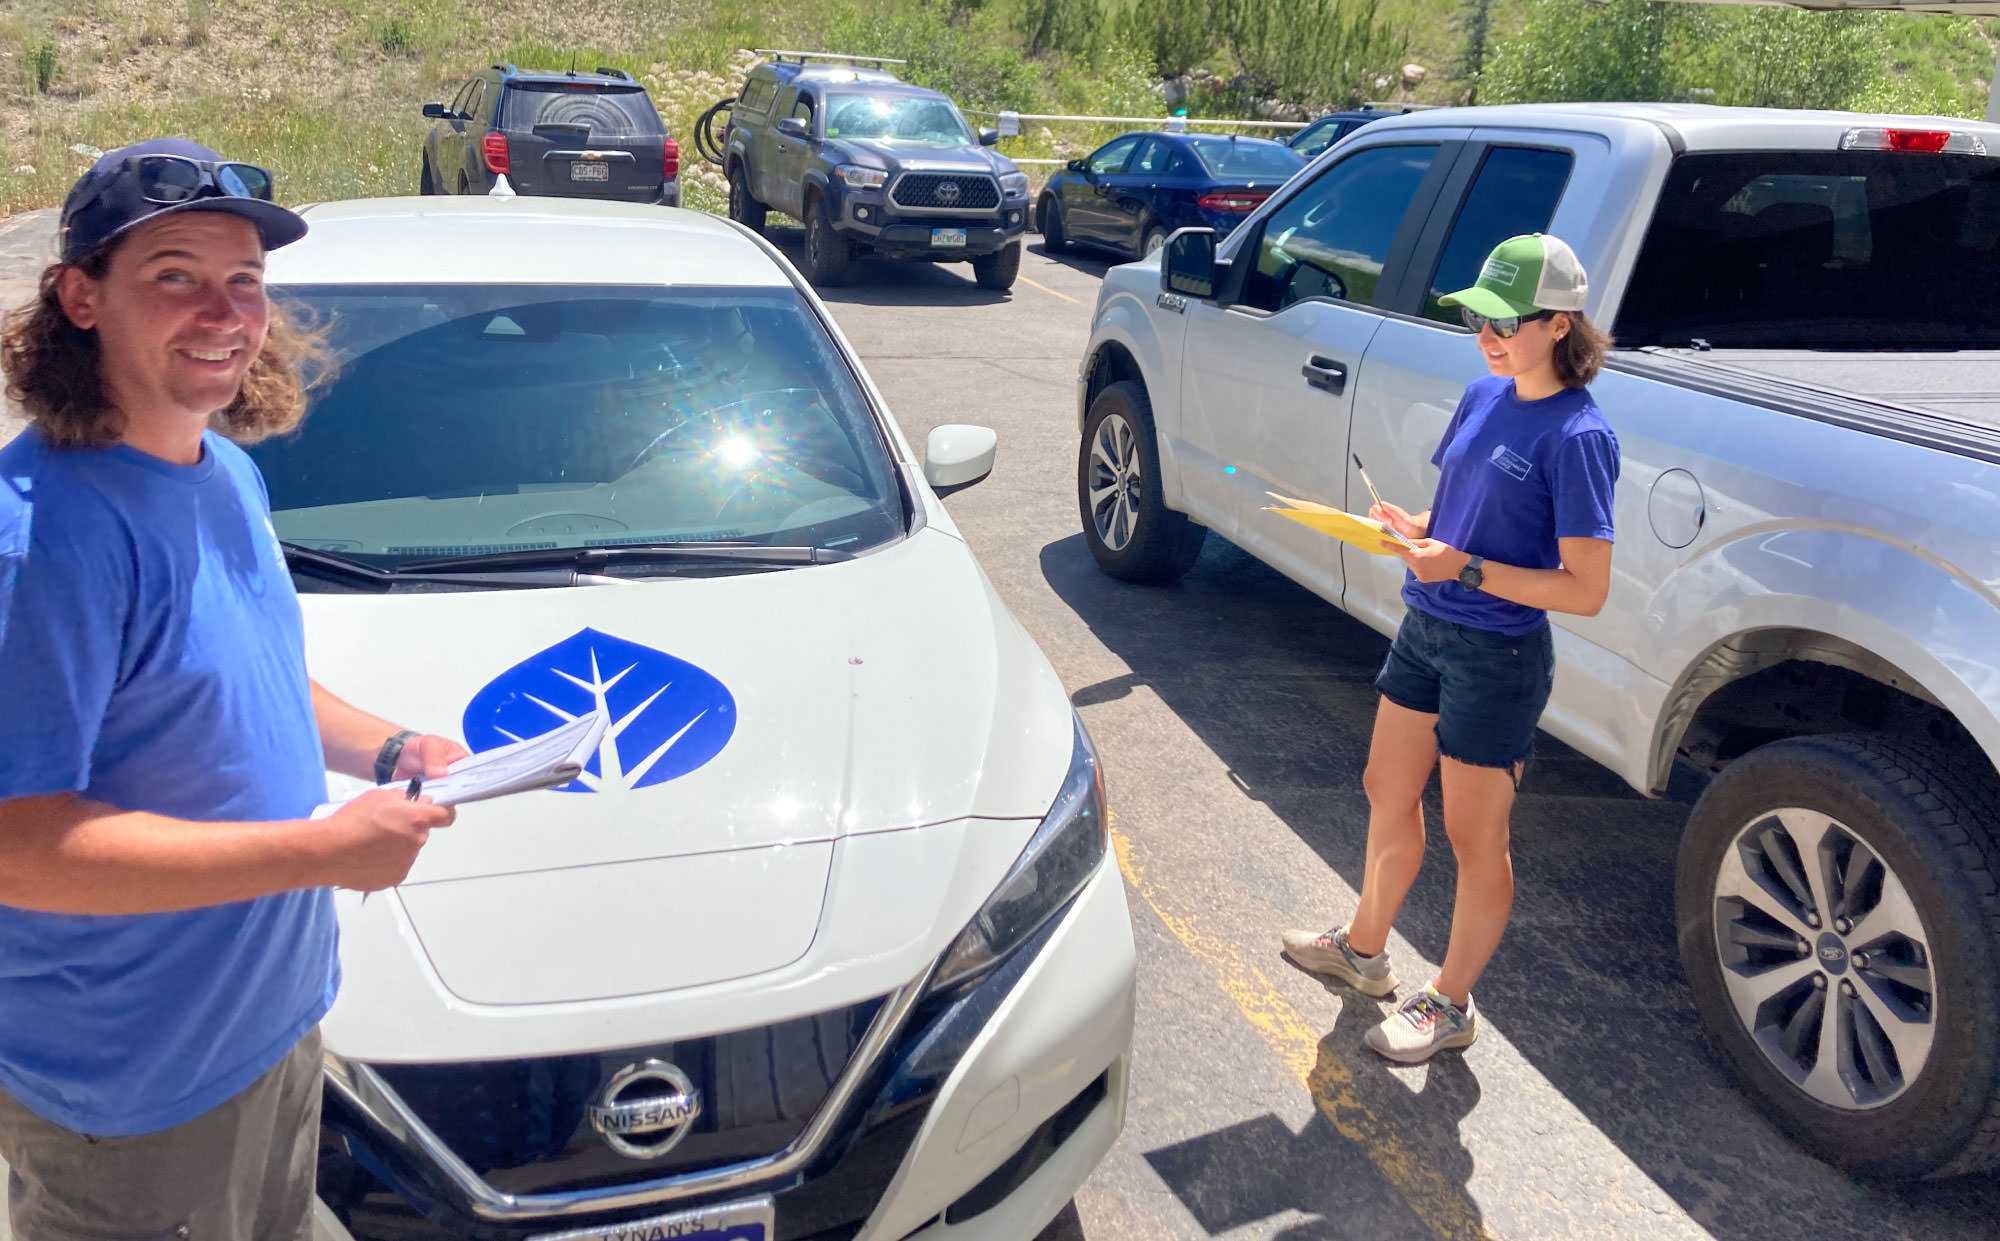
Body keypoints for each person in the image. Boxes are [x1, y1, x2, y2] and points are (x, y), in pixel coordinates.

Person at [0, 138, 468, 1238]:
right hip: (137, 1090)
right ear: (80, 297)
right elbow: (21, 844)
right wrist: (321, 852)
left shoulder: (225, 472)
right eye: (175, 275)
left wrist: (393, 749)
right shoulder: (43, 538)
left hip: (268, 1024)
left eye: (244, 281)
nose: (223, 311)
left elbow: (246, 672)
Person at [1282, 233, 1621, 1064]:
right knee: (1385, 785)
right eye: (1479, 319)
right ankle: (1364, 951)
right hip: (1427, 627)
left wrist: (1464, 567)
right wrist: (1413, 527)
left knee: (1475, 836)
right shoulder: (1483, 395)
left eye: (1506, 322)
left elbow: (1585, 588)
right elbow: (1458, 513)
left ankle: (1452, 1001)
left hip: (1497, 656)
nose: (1487, 337)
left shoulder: (1579, 435)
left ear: (1560, 324)